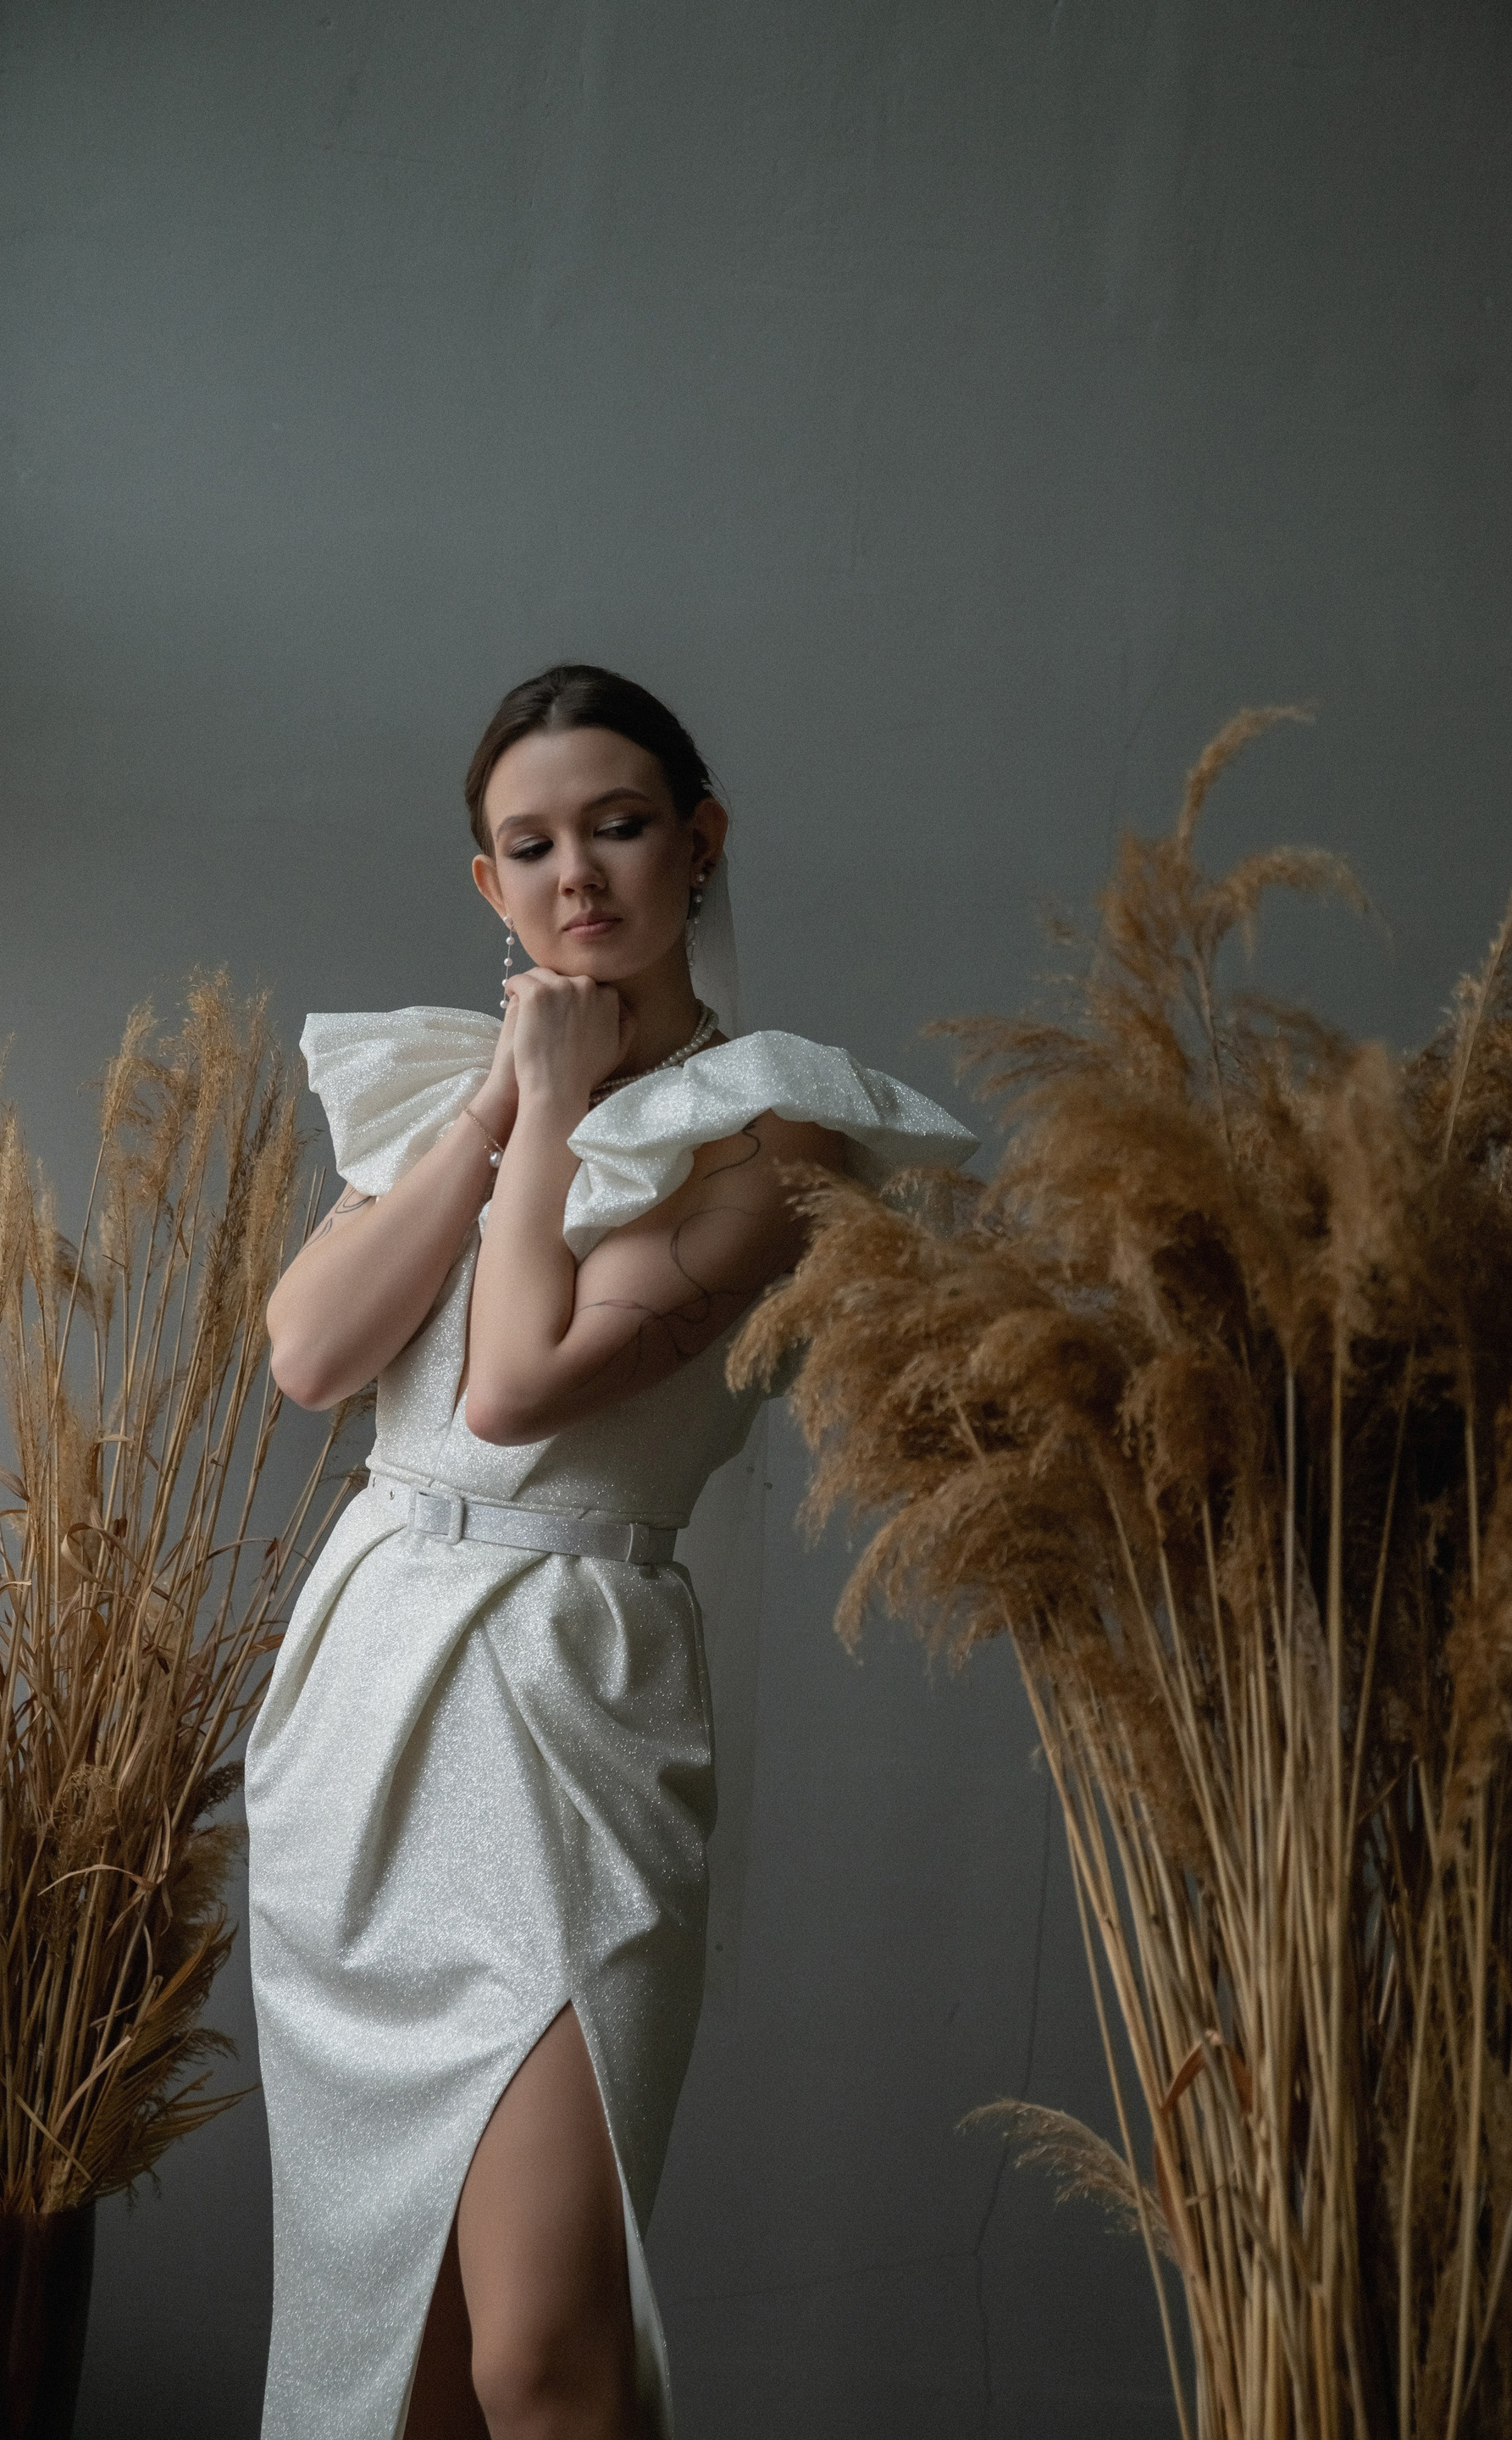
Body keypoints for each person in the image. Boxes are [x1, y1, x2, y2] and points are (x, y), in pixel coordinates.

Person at [246, 665, 977, 2440]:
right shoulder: (456, 1089)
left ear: (700, 842)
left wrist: (561, 1108)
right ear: (487, 883)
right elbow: (312, 1357)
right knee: (401, 2350)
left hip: (570, 1684)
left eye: (620, 825)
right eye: (530, 845)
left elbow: (512, 1389)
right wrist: (502, 1106)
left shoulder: (777, 1130)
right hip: (368, 1688)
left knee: (545, 2357)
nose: (575, 874)